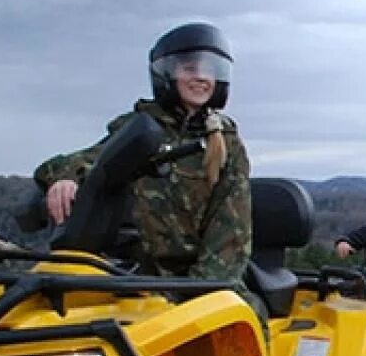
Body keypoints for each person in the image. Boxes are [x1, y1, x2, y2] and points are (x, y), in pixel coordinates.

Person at [33, 21, 254, 289]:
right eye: (189, 68)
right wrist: (65, 178)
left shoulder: (227, 144)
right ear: (166, 73)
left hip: (202, 281)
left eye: (209, 70)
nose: (200, 77)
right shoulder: (142, 129)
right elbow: (87, 160)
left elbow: (231, 233)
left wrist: (197, 291)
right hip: (133, 276)